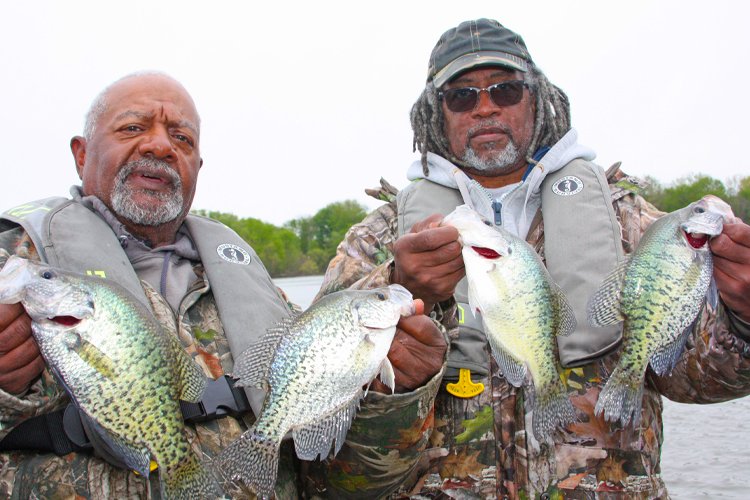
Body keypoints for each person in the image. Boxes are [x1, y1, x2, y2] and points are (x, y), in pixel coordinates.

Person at [303, 19, 750, 498]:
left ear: (536, 98)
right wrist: (400, 286)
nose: (486, 106)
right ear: (436, 115)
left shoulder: (628, 219)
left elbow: (695, 381)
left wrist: (743, 318)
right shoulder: (381, 238)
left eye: (506, 89)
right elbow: (324, 435)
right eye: (462, 96)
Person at [0, 72, 299, 498]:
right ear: (81, 155)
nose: (160, 146)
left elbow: (337, 476)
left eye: (182, 138)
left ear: (197, 166)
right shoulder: (14, 263)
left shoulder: (253, 281)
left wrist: (392, 397)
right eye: (133, 128)